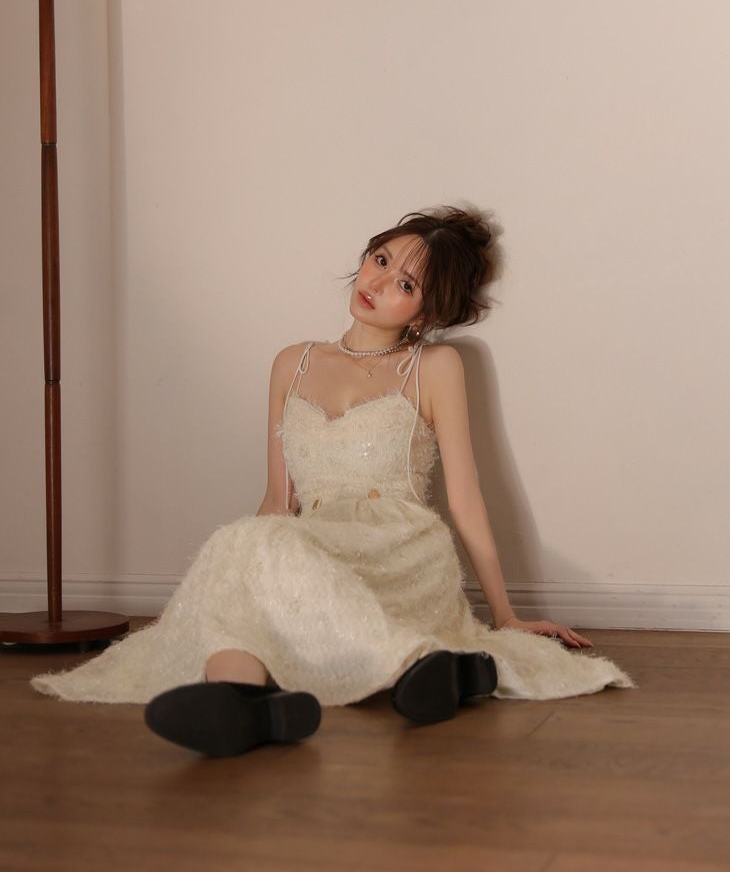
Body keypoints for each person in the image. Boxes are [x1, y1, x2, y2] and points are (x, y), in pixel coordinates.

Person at [30, 204, 635, 756]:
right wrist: (217, 585)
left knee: (251, 548)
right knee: (242, 543)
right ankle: (244, 702)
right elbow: (278, 500)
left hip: (402, 548)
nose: (377, 283)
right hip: (317, 545)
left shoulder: (435, 367)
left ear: (427, 313)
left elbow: (466, 498)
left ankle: (416, 662)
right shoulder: (291, 362)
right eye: (381, 260)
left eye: (406, 284)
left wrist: (504, 614)